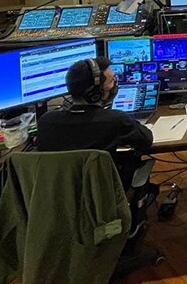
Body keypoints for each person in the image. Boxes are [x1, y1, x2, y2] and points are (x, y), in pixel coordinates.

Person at [37, 57, 153, 187]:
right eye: (111, 81)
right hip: (103, 193)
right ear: (95, 92)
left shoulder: (46, 121)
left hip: (59, 195)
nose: (114, 84)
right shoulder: (115, 119)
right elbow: (146, 139)